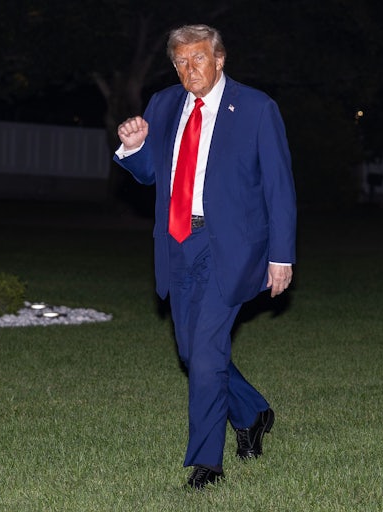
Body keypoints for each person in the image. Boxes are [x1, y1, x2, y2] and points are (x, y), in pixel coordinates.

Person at [113, 24, 297, 490]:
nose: (188, 69)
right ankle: (252, 412)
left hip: (230, 247)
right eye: (179, 61)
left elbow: (279, 188)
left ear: (219, 59)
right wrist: (133, 147)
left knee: (207, 353)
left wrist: (281, 255)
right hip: (177, 242)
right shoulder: (164, 104)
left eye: (197, 59)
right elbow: (151, 172)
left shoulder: (256, 108)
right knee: (193, 353)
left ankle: (207, 464)